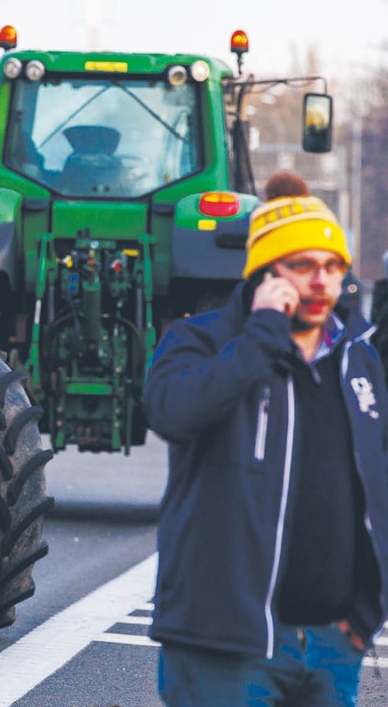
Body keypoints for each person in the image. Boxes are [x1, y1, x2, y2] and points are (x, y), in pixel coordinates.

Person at [144, 189, 388, 706]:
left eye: (332, 265)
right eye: (302, 265)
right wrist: (261, 334)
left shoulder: (357, 359)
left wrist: (368, 612)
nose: (322, 281)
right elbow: (171, 412)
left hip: (331, 644)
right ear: (265, 273)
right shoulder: (201, 340)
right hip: (224, 646)